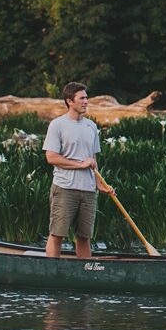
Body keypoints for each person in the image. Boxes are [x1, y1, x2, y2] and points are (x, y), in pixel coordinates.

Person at [43, 82, 103, 258]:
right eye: (82, 98)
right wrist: (79, 165)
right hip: (65, 188)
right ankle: (51, 272)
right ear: (70, 101)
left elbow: (93, 159)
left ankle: (85, 274)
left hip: (88, 190)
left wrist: (100, 184)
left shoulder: (91, 126)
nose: (86, 101)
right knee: (57, 234)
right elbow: (51, 157)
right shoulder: (57, 125)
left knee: (84, 237)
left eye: (86, 98)